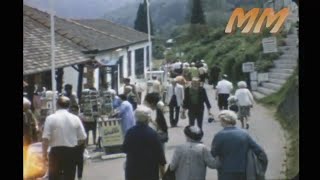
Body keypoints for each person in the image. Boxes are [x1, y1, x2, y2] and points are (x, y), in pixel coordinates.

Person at [211, 110, 267, 180]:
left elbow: (213, 153)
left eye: (220, 120)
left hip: (225, 172)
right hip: (242, 171)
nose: (220, 122)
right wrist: (261, 168)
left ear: (224, 120)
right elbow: (259, 151)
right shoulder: (244, 134)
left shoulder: (219, 136)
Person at [42, 96, 87, 180]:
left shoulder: (50, 118)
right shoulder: (75, 118)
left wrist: (44, 154)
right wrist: (73, 144)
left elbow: (45, 139)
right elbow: (83, 137)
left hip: (55, 152)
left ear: (57, 105)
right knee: (69, 176)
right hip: (71, 152)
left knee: (54, 177)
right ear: (69, 106)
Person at [123, 106, 167, 180]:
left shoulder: (130, 132)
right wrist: (163, 174)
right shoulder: (153, 134)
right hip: (149, 172)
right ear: (148, 119)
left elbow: (124, 149)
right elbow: (160, 156)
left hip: (132, 171)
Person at [69, 105, 85, 180]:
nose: (73, 112)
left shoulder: (80, 119)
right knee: (72, 161)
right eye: (72, 111)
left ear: (77, 111)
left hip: (80, 142)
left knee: (80, 161)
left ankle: (79, 176)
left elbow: (83, 133)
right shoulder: (68, 120)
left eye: (75, 111)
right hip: (71, 143)